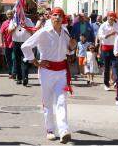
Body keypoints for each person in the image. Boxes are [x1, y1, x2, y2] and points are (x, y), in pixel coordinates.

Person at [21, 7, 77, 143]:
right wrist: (35, 61)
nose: (57, 18)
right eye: (55, 15)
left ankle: (64, 130)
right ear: (50, 17)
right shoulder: (43, 32)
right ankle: (50, 129)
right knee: (47, 101)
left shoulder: (65, 32)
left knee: (61, 101)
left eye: (60, 16)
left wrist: (72, 47)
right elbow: (25, 46)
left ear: (63, 19)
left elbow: (68, 52)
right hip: (47, 72)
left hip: (62, 72)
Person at [8, 10, 35, 86]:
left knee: (25, 60)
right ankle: (19, 78)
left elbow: (32, 31)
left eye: (21, 14)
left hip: (25, 43)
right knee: (17, 61)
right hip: (16, 43)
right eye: (18, 14)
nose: (19, 15)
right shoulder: (13, 20)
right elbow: (9, 31)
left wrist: (25, 26)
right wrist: (16, 26)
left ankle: (25, 77)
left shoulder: (28, 20)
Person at [97, 11, 118, 90]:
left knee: (115, 66)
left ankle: (115, 82)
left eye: (112, 16)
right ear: (107, 17)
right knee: (107, 67)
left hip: (115, 48)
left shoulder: (117, 25)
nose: (111, 17)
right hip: (106, 49)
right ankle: (106, 84)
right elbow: (100, 37)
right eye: (110, 16)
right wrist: (110, 34)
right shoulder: (103, 25)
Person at [0, 10, 15, 79]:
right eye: (8, 14)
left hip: (15, 43)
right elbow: (1, 33)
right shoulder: (4, 23)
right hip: (7, 43)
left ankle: (13, 72)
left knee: (13, 58)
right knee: (8, 59)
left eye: (11, 14)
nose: (10, 15)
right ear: (6, 15)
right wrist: (1, 42)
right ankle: (10, 72)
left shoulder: (15, 22)